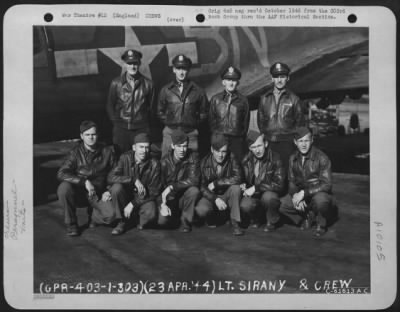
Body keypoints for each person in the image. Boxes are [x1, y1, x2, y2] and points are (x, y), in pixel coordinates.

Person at [57, 120, 117, 236]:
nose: (91, 138)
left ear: (97, 135)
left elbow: (115, 173)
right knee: (64, 188)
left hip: (99, 193)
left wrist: (108, 190)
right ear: (81, 136)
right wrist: (84, 182)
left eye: (93, 134)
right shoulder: (75, 153)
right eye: (87, 135)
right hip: (80, 193)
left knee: (111, 216)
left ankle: (94, 216)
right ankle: (72, 224)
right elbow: (61, 173)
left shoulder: (107, 151)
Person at [279, 127, 333, 237]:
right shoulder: (293, 158)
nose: (303, 145)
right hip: (302, 195)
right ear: (295, 142)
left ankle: (321, 224)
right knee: (280, 204)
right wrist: (295, 196)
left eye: (306, 141)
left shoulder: (322, 158)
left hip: (317, 193)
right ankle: (306, 216)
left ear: (312, 140)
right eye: (300, 141)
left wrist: (304, 193)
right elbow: (291, 182)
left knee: (321, 201)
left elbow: (326, 184)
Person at [108, 133, 161, 235]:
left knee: (151, 214)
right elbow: (111, 177)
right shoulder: (125, 158)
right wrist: (133, 180)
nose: (144, 151)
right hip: (126, 195)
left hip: (142, 198)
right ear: (134, 147)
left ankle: (134, 218)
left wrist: (133, 204)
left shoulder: (154, 163)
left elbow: (154, 191)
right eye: (141, 147)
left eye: (146, 147)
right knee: (116, 188)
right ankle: (121, 221)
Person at [157, 54, 209, 157]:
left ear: (188, 70)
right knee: (166, 162)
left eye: (184, 69)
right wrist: (170, 122)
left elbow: (205, 112)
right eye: (178, 68)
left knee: (192, 163)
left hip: (190, 133)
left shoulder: (198, 91)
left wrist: (192, 122)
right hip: (170, 132)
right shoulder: (166, 90)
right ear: (174, 70)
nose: (181, 72)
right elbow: (160, 111)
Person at [257, 62, 305, 171]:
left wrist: (292, 140)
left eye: (282, 77)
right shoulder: (264, 98)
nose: (279, 80)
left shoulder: (294, 99)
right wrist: (266, 137)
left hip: (287, 144)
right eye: (276, 77)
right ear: (272, 79)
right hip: (269, 143)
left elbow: (300, 123)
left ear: (287, 78)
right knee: (269, 173)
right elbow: (261, 121)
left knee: (286, 173)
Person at [107, 49, 155, 154]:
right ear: (125, 64)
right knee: (121, 159)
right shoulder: (116, 83)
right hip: (121, 129)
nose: (132, 67)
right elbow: (110, 105)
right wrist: (117, 123)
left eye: (135, 63)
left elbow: (151, 108)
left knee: (141, 158)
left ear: (139, 64)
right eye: (129, 63)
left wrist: (144, 124)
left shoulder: (148, 84)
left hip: (141, 129)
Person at [195, 133, 244, 236]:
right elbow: (202, 186)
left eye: (224, 151)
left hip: (226, 193)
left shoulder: (232, 158)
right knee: (201, 210)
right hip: (212, 196)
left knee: (236, 188)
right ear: (212, 150)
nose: (220, 155)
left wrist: (216, 183)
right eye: (217, 151)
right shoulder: (204, 162)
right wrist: (215, 199)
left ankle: (235, 222)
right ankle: (213, 217)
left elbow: (238, 177)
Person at [240, 130, 285, 232]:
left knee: (268, 197)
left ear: (265, 143)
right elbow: (242, 178)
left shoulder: (276, 158)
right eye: (254, 147)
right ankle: (256, 219)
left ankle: (271, 221)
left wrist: (256, 187)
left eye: (259, 146)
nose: (257, 150)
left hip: (268, 194)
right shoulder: (246, 160)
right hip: (255, 196)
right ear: (250, 148)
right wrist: (242, 185)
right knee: (245, 205)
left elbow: (279, 185)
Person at [158, 129, 201, 232]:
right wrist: (162, 204)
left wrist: (173, 186)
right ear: (173, 146)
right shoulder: (164, 162)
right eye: (179, 146)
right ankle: (173, 216)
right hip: (170, 198)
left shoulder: (193, 157)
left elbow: (194, 179)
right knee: (162, 222)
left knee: (194, 190)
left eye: (184, 146)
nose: (182, 150)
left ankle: (185, 221)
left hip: (184, 196)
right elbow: (159, 188)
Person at [209, 66, 250, 160]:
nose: (231, 83)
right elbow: (211, 122)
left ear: (238, 83)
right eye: (228, 80)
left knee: (237, 167)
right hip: (220, 140)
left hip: (237, 141)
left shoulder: (243, 100)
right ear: (223, 82)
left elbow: (245, 123)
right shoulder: (215, 99)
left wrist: (239, 138)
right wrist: (218, 138)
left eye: (234, 80)